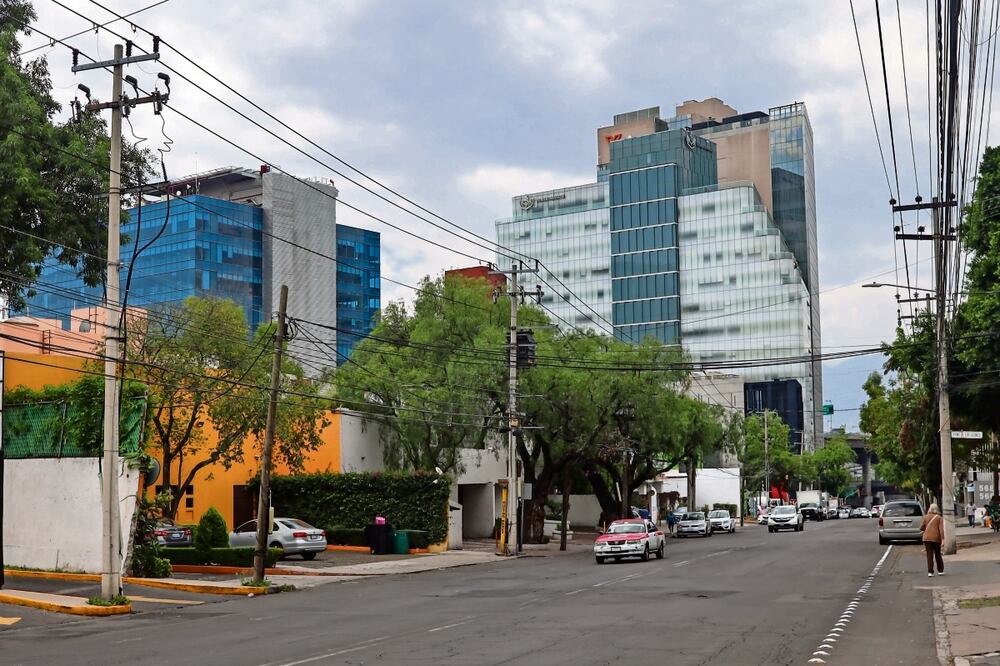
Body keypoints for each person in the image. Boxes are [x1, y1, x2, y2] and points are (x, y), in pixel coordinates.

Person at [920, 503, 945, 577]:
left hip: (927, 538)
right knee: (938, 554)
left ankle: (930, 572)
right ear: (937, 509)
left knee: (929, 555)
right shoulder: (939, 518)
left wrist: (926, 529)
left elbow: (921, 527)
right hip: (936, 538)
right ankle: (940, 571)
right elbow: (941, 530)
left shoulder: (925, 517)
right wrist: (943, 539)